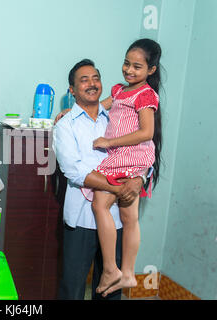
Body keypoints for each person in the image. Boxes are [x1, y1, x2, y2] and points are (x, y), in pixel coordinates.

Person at [53, 59, 144, 300]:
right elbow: (74, 170)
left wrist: (139, 180)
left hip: (116, 219)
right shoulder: (65, 125)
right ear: (72, 90)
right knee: (72, 288)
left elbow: (140, 150)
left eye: (95, 78)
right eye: (84, 80)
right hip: (81, 218)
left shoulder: (118, 117)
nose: (91, 84)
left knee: (110, 289)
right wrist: (117, 186)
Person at [86, 38, 162, 297]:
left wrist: (110, 141)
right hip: (120, 157)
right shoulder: (119, 90)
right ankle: (125, 272)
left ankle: (112, 268)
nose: (129, 70)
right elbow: (97, 107)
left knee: (103, 205)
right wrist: (70, 111)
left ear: (151, 70)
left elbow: (147, 132)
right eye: (126, 64)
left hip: (131, 157)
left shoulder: (146, 94)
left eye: (137, 67)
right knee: (127, 217)